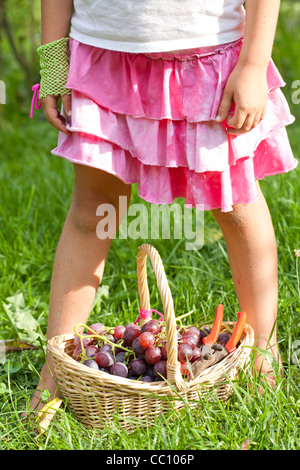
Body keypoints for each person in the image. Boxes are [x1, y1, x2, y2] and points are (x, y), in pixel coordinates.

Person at [28, 0, 297, 412]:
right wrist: (53, 66)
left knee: (235, 202)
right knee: (91, 214)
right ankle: (58, 367)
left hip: (207, 57)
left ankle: (263, 351)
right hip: (104, 60)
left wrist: (253, 64)